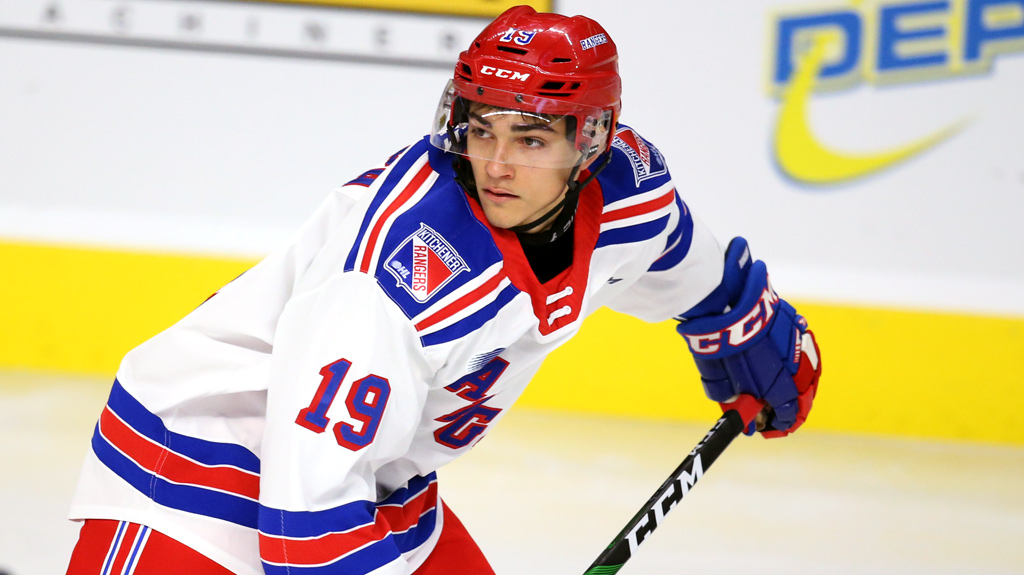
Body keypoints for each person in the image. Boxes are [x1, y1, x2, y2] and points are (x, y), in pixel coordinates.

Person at [65, 5, 821, 574]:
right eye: (481, 128)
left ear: (590, 142)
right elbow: (307, 533)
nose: (495, 162)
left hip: (366, 473)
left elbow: (694, 270)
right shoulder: (393, 283)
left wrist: (744, 324)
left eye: (530, 138)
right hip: (197, 473)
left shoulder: (626, 193)